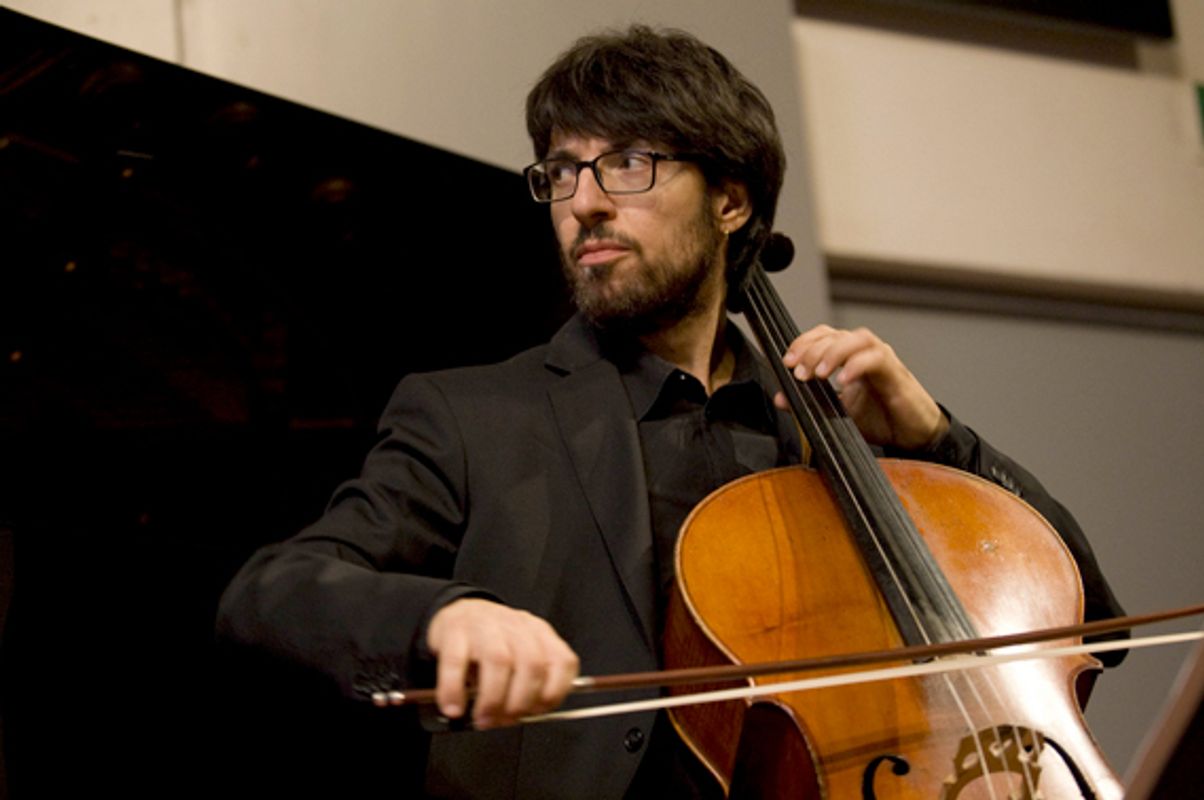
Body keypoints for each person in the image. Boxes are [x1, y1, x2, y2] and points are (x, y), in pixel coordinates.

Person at [216, 25, 1125, 799]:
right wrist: (441, 619)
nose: (583, 204)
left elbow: (1093, 626)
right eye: (561, 171)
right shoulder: (471, 415)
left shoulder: (830, 430)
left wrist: (936, 439)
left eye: (627, 163)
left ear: (730, 201)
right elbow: (272, 591)